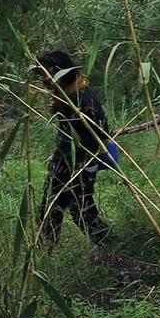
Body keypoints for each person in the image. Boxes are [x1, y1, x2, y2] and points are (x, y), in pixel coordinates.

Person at [35, 50, 112, 246]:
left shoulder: (84, 99)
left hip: (79, 165)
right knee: (50, 213)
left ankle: (112, 248)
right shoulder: (66, 95)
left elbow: (100, 134)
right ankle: (47, 255)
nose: (44, 79)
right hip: (63, 163)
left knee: (82, 214)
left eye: (46, 73)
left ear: (58, 71)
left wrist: (84, 167)